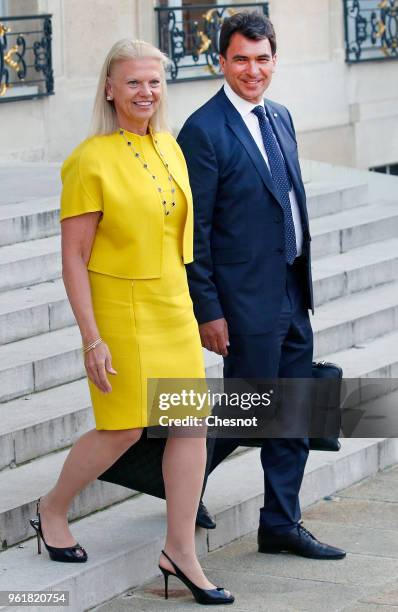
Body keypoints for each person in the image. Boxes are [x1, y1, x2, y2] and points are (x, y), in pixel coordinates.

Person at [29, 39, 233, 606]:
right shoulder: (88, 160)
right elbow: (73, 257)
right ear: (110, 89)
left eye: (155, 82)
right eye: (134, 82)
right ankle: (51, 508)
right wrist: (90, 338)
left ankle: (179, 552)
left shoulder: (170, 146)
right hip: (119, 309)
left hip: (171, 304)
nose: (146, 92)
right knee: (122, 426)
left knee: (190, 426)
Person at [178, 12, 346, 560]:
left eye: (263, 58)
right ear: (221, 61)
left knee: (291, 410)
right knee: (244, 411)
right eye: (242, 59)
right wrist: (208, 309)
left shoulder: (282, 117)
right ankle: (175, 483)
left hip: (293, 293)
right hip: (244, 303)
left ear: (275, 60)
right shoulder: (202, 130)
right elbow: (193, 233)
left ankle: (280, 522)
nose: (253, 70)